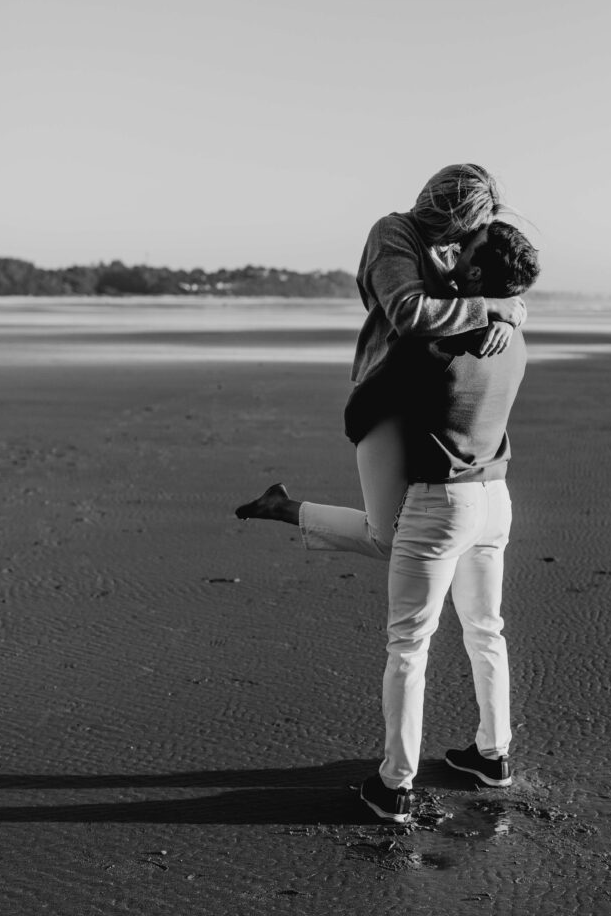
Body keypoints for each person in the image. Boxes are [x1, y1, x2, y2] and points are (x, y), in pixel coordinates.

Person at [237, 221, 540, 824]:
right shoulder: (515, 340)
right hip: (495, 498)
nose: (455, 252)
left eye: (467, 250)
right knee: (486, 630)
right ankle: (493, 755)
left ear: (477, 275)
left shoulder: (431, 345)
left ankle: (394, 784)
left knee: (409, 645)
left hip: (442, 501)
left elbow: (366, 404)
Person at [236, 164, 527, 562]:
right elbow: (410, 314)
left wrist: (510, 317)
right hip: (387, 392)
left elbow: (490, 286)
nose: (465, 243)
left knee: (420, 527)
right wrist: (492, 307)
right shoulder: (392, 234)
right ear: (451, 215)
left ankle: (281, 506)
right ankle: (283, 508)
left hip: (428, 395)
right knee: (389, 535)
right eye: (469, 228)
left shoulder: (448, 247)